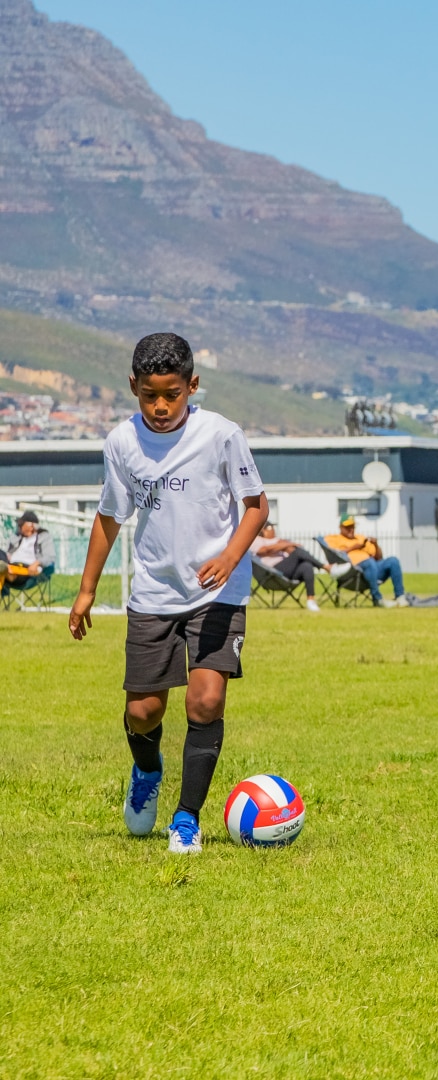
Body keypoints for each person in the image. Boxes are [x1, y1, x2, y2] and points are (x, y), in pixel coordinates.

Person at [69, 332, 268, 855]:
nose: (160, 406)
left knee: (206, 699)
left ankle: (187, 818)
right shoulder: (121, 443)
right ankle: (147, 770)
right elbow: (110, 517)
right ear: (133, 386)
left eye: (172, 394)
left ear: (192, 385)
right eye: (149, 395)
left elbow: (255, 506)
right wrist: (86, 590)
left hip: (218, 593)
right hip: (154, 593)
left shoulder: (222, 435)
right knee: (143, 713)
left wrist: (228, 558)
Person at [325, 515, 408, 607]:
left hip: (373, 570)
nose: (351, 529)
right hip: (353, 573)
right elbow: (335, 554)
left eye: (353, 527)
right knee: (369, 562)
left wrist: (375, 545)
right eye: (348, 527)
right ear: (340, 527)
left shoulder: (360, 538)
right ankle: (377, 599)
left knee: (393, 561)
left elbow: (379, 558)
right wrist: (354, 547)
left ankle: (400, 597)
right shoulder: (334, 539)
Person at [250, 522, 324, 612]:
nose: (273, 530)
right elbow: (264, 550)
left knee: (306, 566)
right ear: (263, 530)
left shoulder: (279, 540)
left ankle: (311, 601)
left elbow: (292, 549)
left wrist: (286, 545)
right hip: (272, 572)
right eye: (270, 528)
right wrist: (285, 545)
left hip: (287, 572)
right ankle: (325, 567)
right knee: (297, 553)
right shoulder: (257, 540)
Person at [2, 510, 55, 601]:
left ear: (31, 526)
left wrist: (37, 563)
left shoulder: (44, 537)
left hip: (28, 572)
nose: (19, 526)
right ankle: (5, 569)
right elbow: (7, 552)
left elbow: (50, 557)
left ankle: (5, 570)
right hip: (11, 565)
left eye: (21, 524)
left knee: (3, 569)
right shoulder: (16, 537)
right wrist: (7, 556)